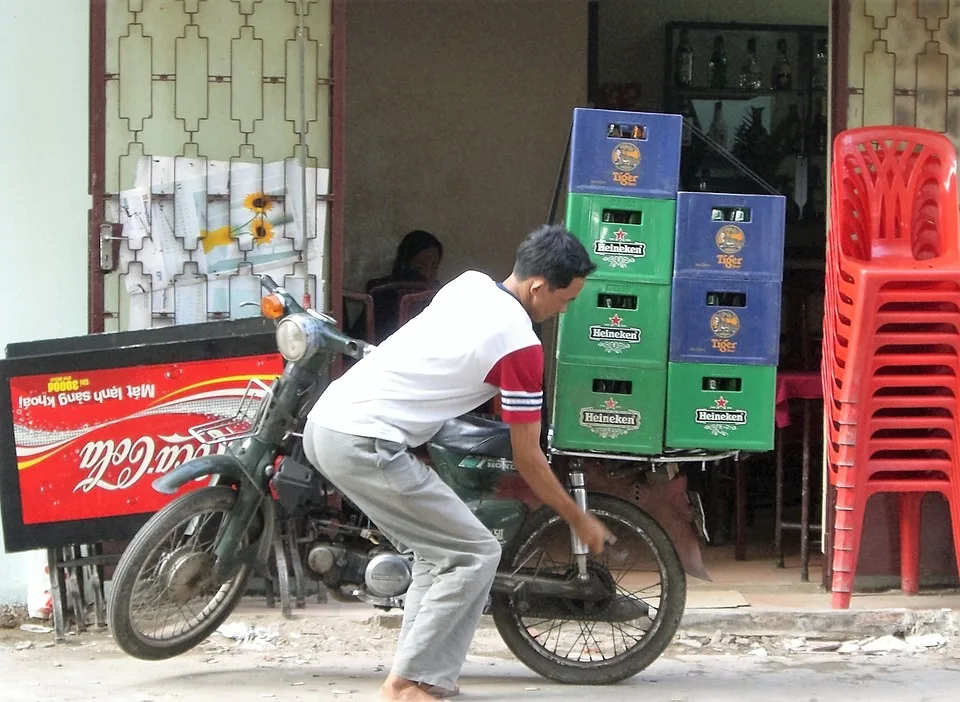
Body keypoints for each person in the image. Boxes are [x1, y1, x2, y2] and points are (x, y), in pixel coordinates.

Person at [303, 224, 615, 701]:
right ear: (538, 287)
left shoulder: (468, 284)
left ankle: (420, 681)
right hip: (365, 440)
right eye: (565, 299)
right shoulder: (521, 347)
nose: (563, 310)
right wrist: (579, 519)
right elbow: (528, 457)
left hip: (330, 422)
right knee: (476, 552)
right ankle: (408, 686)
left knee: (439, 555)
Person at [364, 230, 444, 343]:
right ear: (404, 264)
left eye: (433, 267)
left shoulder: (440, 295)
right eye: (419, 267)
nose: (428, 274)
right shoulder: (383, 292)